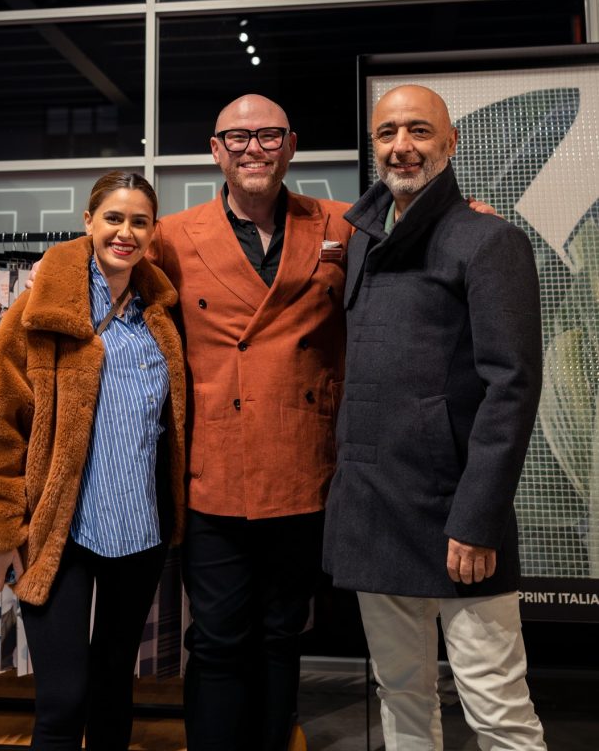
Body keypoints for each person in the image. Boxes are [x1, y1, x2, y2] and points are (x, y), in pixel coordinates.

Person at [323, 85, 547, 751]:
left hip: (455, 518)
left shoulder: (489, 240)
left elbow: (511, 388)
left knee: (497, 711)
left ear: (450, 142)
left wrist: (476, 520)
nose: (402, 146)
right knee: (401, 696)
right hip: (374, 510)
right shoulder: (362, 241)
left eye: (419, 131)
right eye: (387, 132)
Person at [0, 170, 186, 751]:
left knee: (113, 688)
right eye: (114, 218)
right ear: (88, 221)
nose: (125, 232)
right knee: (63, 699)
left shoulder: (160, 315)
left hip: (139, 530)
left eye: (140, 222)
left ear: (153, 232)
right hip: (60, 532)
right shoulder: (41, 310)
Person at [148, 93, 353, 751]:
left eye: (267, 135)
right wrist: (58, 268)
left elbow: (415, 231)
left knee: (281, 633)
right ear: (216, 151)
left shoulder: (338, 222)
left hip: (301, 465)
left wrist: (468, 213)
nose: (252, 148)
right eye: (237, 138)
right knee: (216, 639)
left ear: (291, 145)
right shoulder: (173, 235)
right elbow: (107, 263)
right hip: (214, 470)